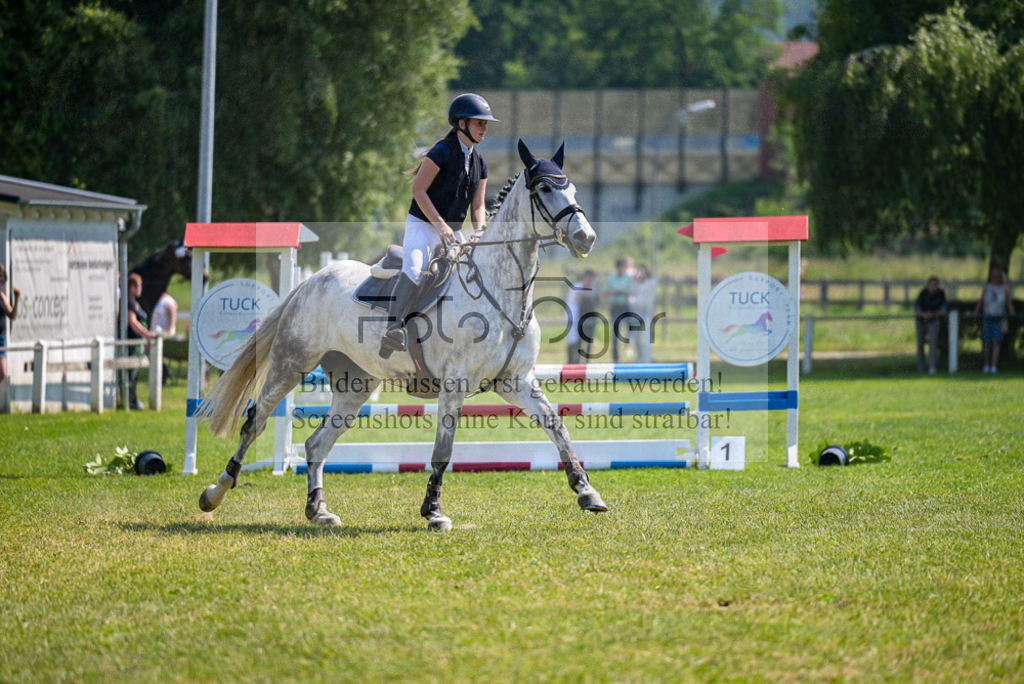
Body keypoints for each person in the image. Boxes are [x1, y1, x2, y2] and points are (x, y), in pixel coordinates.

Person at [379, 93, 498, 358]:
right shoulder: (442, 152)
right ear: (462, 123)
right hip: (423, 225)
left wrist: (479, 232)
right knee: (415, 268)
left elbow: (478, 207)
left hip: (452, 231)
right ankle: (391, 329)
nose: (485, 129)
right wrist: (442, 227)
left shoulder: (480, 163)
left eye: (486, 124)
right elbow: (418, 190)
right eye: (480, 123)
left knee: (471, 271)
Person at [126, 273, 158, 409]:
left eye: (140, 285)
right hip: (132, 342)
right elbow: (132, 322)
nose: (139, 288)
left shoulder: (136, 302)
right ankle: (130, 400)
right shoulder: (128, 302)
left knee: (136, 372)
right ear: (129, 286)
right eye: (136, 285)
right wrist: (148, 334)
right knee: (131, 373)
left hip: (139, 342)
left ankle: (133, 399)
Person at [974, 266, 1015, 374]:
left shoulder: (1005, 288)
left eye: (996, 276)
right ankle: (986, 365)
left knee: (996, 342)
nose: (994, 278)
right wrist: (976, 312)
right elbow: (981, 301)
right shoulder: (987, 287)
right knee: (987, 342)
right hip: (988, 317)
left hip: (999, 317)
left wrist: (1012, 314)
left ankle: (994, 366)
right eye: (992, 276)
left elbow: (1008, 303)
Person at [913, 276, 947, 374]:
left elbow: (944, 310)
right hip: (921, 321)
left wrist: (932, 314)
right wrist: (924, 315)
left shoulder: (941, 294)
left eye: (936, 285)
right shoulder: (923, 294)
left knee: (933, 344)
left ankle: (932, 367)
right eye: (932, 284)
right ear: (928, 285)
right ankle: (921, 368)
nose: (934, 287)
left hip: (933, 321)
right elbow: (917, 310)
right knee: (920, 344)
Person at [604, 257, 635, 363]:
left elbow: (632, 292)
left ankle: (628, 346)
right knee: (616, 332)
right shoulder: (611, 277)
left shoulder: (629, 277)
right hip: (615, 306)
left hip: (625, 305)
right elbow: (606, 292)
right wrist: (615, 292)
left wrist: (622, 292)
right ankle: (615, 357)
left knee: (630, 327)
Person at [1, 264, 22, 411]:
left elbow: (12, 316)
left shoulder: (2, 296)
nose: (0, 278)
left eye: (2, 275)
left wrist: (17, 298)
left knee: (2, 372)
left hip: (1, 339)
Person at [566, 270, 599, 363]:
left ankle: (574, 360)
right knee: (573, 339)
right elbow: (578, 299)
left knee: (574, 338)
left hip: (577, 313)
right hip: (574, 314)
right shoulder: (579, 286)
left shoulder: (579, 285)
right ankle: (572, 360)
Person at [632, 264, 658, 363]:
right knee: (637, 337)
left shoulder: (651, 282)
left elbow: (649, 298)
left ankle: (647, 358)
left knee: (647, 338)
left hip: (647, 312)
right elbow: (633, 295)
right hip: (637, 312)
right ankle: (640, 357)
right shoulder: (635, 283)